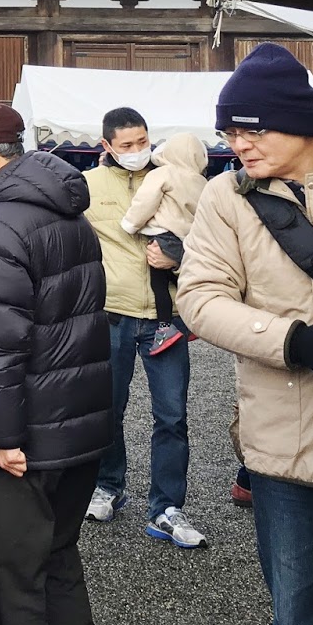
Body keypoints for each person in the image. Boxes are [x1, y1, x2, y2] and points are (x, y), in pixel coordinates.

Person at [178, 42, 313, 625]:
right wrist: (292, 341)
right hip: (285, 437)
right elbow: (198, 298)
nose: (238, 144)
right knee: (299, 620)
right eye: (228, 132)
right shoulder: (226, 196)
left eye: (250, 129)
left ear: (298, 120)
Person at [0, 100, 111, 625]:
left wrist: (3, 437)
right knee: (58, 561)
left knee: (14, 584)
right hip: (75, 420)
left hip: (25, 434)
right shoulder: (69, 211)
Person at [82, 108, 204, 549]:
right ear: (107, 146)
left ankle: (167, 507)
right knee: (106, 410)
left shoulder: (176, 174)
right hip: (110, 312)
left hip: (164, 316)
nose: (137, 152)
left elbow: (211, 238)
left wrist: (180, 259)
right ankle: (108, 486)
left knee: (172, 415)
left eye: (142, 142)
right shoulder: (88, 186)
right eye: (127, 145)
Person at [121, 131, 209, 352]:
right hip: (187, 240)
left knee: (158, 284)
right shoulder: (201, 181)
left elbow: (145, 201)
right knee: (180, 279)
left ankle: (164, 328)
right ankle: (193, 320)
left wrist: (130, 224)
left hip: (162, 234)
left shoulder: (163, 173)